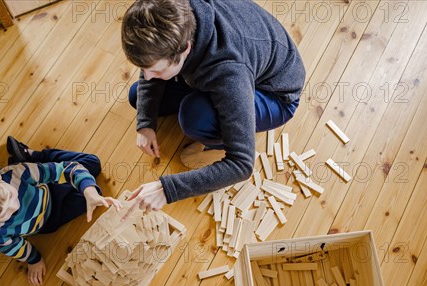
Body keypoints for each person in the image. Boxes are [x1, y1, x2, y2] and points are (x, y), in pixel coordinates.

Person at [120, 0, 305, 217]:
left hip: (275, 95)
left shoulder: (229, 73)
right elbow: (150, 71)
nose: (148, 76)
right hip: (235, 67)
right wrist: (145, 123)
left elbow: (242, 164)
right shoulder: (175, 13)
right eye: (144, 69)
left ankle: (217, 143)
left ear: (186, 48)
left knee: (194, 117)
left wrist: (167, 189)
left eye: (157, 71)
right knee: (138, 95)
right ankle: (197, 93)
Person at [0, 136, 121, 286]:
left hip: (48, 188)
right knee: (92, 195)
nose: (13, 208)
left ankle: (35, 156)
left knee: (92, 164)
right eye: (0, 214)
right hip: (48, 221)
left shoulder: (17, 173)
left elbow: (66, 170)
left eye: (7, 197)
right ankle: (38, 163)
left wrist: (88, 191)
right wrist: (34, 260)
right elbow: (16, 247)